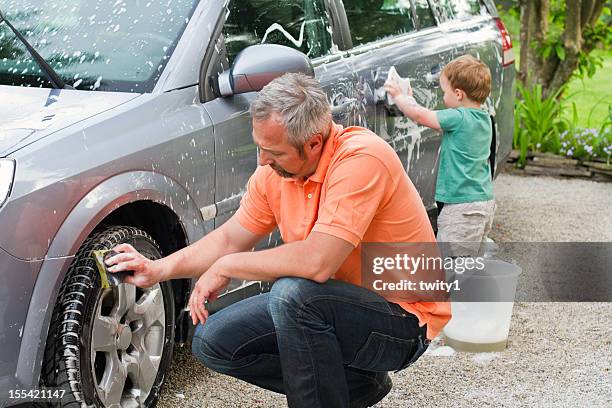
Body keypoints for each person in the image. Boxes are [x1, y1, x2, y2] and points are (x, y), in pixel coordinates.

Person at [105, 73, 450, 408]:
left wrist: (230, 265)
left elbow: (318, 262)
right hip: (333, 306)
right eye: (260, 147)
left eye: (275, 152)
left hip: (403, 320)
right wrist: (156, 269)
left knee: (294, 296)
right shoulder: (274, 173)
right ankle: (356, 385)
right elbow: (229, 237)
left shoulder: (361, 159)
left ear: (314, 142)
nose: (263, 161)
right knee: (213, 341)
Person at [385, 54, 495, 256]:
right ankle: (480, 287)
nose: (443, 97)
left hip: (461, 208)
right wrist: (411, 101)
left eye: (444, 92)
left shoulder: (458, 117)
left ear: (459, 94)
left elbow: (421, 116)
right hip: (483, 203)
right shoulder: (484, 118)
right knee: (471, 265)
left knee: (450, 266)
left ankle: (455, 288)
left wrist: (399, 97)